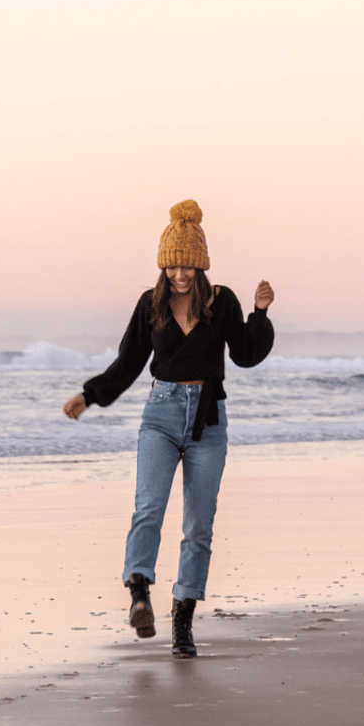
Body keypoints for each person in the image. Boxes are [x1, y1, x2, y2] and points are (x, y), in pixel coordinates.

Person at [62, 200, 275, 658]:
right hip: (159, 415)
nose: (180, 274)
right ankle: (139, 592)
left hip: (208, 420)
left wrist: (259, 314)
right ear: (163, 265)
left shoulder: (222, 301)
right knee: (149, 508)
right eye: (173, 265)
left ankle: (183, 618)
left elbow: (245, 355)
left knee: (199, 525)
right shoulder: (150, 304)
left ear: (201, 265)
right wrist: (90, 395)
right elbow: (128, 363)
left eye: (188, 265)